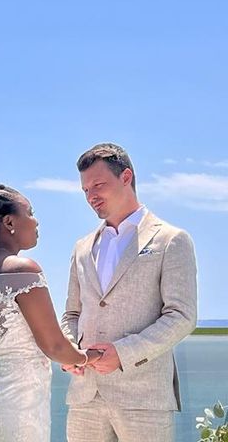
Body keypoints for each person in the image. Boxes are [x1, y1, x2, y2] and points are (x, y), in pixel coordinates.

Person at [61, 142, 197, 442]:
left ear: (126, 177)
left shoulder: (172, 240)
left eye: (98, 184)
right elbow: (72, 314)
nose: (91, 196)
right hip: (84, 397)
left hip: (144, 399)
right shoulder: (81, 247)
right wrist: (68, 349)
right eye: (85, 190)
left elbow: (182, 316)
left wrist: (123, 353)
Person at [0, 182, 101, 442]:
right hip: (12, 407)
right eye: (30, 212)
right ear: (9, 222)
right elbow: (54, 346)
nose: (36, 221)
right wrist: (87, 357)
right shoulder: (21, 269)